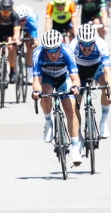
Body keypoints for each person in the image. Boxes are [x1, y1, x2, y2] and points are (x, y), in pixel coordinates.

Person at [31, 30, 83, 166]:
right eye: (49, 50)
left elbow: (75, 78)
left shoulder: (67, 52)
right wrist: (36, 91)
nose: (52, 54)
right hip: (47, 77)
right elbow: (36, 79)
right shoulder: (38, 53)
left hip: (63, 77)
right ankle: (48, 122)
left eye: (55, 50)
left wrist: (76, 87)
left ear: (60, 46)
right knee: (46, 93)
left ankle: (76, 148)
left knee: (70, 109)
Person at [69, 24, 111, 138]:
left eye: (89, 44)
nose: (86, 47)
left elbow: (108, 72)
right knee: (75, 103)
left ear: (94, 42)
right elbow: (70, 71)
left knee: (105, 87)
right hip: (79, 70)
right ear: (79, 42)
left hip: (96, 68)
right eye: (83, 44)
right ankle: (77, 132)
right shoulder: (73, 46)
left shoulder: (101, 44)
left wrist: (109, 92)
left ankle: (103, 122)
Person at [15, 5, 39, 85]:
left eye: (23, 20)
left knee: (30, 46)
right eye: (20, 20)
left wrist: (35, 42)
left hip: (29, 27)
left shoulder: (31, 19)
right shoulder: (14, 18)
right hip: (16, 26)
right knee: (14, 42)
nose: (22, 22)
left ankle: (29, 75)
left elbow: (34, 34)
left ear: (26, 18)